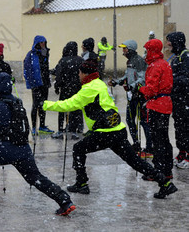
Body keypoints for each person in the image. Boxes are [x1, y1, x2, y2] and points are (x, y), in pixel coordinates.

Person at [43, 59, 177, 199]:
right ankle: (165, 183)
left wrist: (46, 105)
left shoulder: (89, 88)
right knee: (135, 161)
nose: (78, 75)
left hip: (105, 132)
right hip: (117, 130)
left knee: (78, 148)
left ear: (84, 73)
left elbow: (69, 105)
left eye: (79, 72)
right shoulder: (99, 83)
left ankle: (81, 183)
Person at [0, 73, 76, 216]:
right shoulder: (18, 102)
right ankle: (64, 200)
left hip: (2, 149)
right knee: (36, 178)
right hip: (23, 149)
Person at [108, 40, 152, 157]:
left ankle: (149, 148)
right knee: (130, 120)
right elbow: (127, 76)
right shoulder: (130, 61)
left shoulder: (138, 61)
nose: (123, 51)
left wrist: (132, 86)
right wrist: (116, 82)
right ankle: (136, 144)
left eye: (125, 49)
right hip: (132, 96)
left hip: (139, 96)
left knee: (143, 122)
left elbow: (142, 78)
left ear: (131, 49)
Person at [139, 39, 174, 180]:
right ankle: (167, 169)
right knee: (164, 139)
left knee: (157, 139)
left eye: (147, 50)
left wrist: (140, 89)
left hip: (157, 105)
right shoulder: (165, 64)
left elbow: (151, 90)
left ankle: (158, 171)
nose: (145, 53)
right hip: (165, 104)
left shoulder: (155, 66)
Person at [51, 41, 83, 140]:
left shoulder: (63, 60)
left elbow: (59, 75)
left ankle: (60, 130)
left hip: (65, 89)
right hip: (77, 89)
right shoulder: (80, 60)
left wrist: (57, 85)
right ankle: (74, 131)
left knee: (62, 109)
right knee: (75, 109)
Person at [166, 32, 189, 169]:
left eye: (170, 41)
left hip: (185, 99)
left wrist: (170, 81)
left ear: (177, 42)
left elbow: (186, 79)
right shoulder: (175, 57)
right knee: (178, 127)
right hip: (176, 99)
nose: (168, 44)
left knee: (186, 127)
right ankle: (182, 152)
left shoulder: (185, 56)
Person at [23, 35, 53, 135]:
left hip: (44, 83)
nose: (43, 44)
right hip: (36, 84)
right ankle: (34, 127)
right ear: (37, 43)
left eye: (44, 42)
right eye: (41, 42)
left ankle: (42, 126)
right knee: (35, 105)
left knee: (43, 105)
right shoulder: (31, 54)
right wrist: (30, 82)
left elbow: (45, 67)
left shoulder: (46, 53)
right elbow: (26, 69)